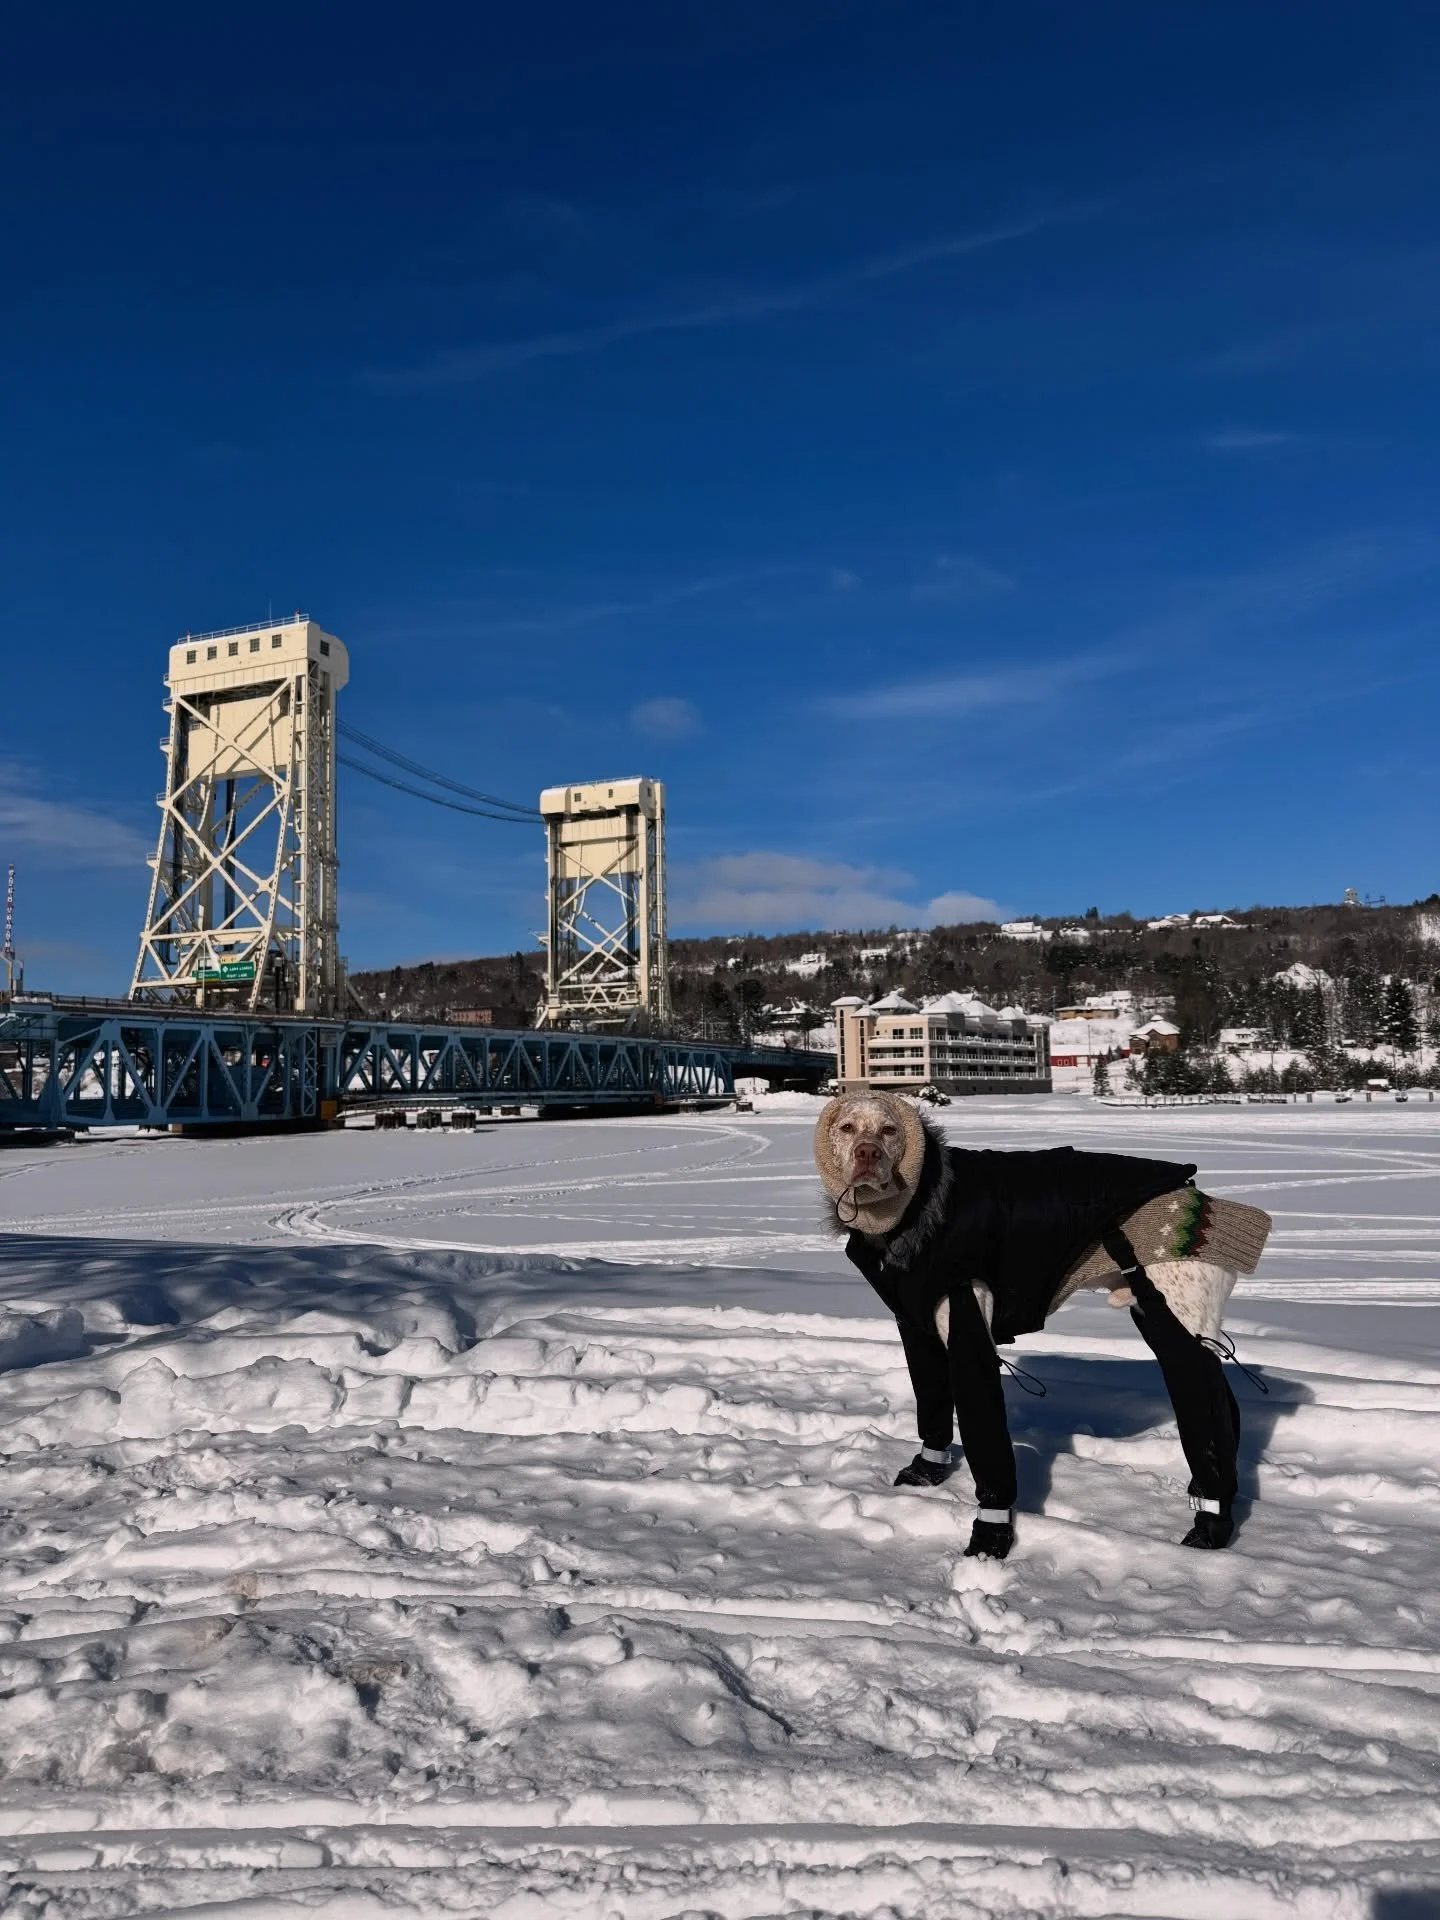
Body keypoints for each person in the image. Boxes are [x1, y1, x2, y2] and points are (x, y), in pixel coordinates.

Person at [815, 1090, 1270, 1557]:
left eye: (887, 1133)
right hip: (1096, 1208)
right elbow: (923, 1338)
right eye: (849, 1131)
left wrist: (994, 1507)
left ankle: (1215, 1501)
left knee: (1188, 1356)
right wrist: (935, 1448)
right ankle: (934, 1453)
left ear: (908, 1147)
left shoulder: (952, 1230)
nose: (866, 1147)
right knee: (922, 1331)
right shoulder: (882, 1230)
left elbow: (974, 1376)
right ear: (829, 1148)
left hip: (1154, 1215)